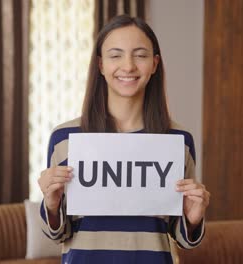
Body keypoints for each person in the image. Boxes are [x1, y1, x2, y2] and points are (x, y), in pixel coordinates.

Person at [37, 14, 210, 264]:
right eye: (115, 55)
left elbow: (182, 236)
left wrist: (193, 218)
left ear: (154, 64)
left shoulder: (178, 140)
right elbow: (59, 233)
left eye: (140, 55)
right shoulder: (65, 138)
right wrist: (51, 205)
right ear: (100, 65)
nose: (128, 66)